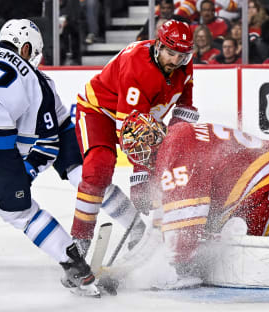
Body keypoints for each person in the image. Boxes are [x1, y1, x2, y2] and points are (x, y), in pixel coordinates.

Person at [0, 18, 145, 260]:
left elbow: (48, 144)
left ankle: (135, 225)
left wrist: (27, 171)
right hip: (13, 140)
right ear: (26, 48)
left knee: (85, 179)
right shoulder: (22, 77)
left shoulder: (37, 83)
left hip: (56, 136)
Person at [117, 110, 269, 291]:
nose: (139, 158)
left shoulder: (175, 151)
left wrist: (181, 269)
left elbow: (186, 218)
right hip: (256, 184)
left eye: (138, 150)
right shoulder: (176, 136)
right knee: (214, 239)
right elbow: (182, 211)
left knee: (237, 250)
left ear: (149, 142)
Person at [0, 19, 99, 297]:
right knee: (22, 213)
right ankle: (77, 267)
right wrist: (15, 175)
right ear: (28, 48)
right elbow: (40, 141)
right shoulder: (36, 80)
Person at [71, 19, 199, 257]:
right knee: (98, 168)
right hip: (100, 112)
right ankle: (79, 240)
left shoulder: (184, 64)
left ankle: (163, 239)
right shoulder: (137, 64)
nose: (175, 61)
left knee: (169, 174)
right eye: (170, 53)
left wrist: (173, 147)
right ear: (159, 45)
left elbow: (184, 107)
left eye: (181, 55)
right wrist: (141, 175)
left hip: (143, 121)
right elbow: (131, 130)